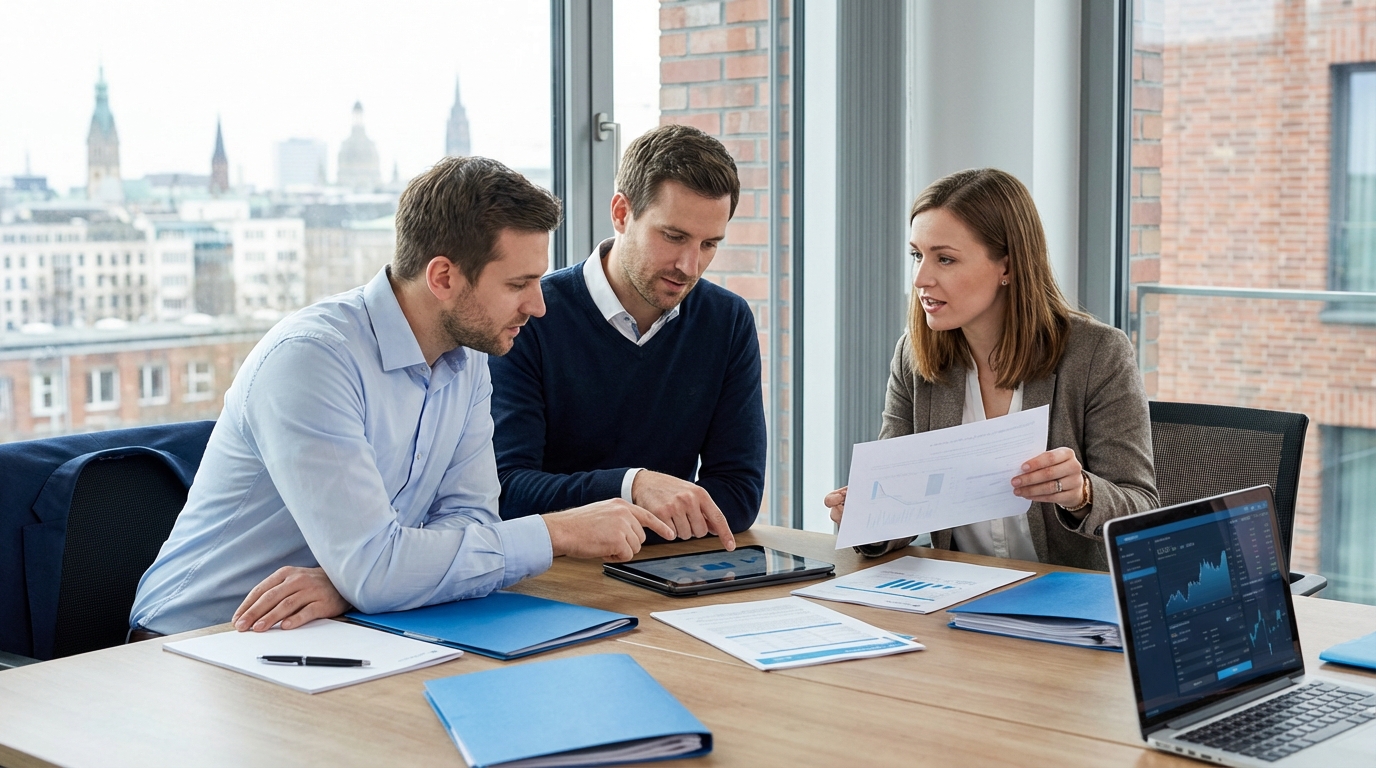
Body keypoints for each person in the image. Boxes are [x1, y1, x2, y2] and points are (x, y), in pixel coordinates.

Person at [129, 157, 675, 637]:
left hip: (341, 626)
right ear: (443, 277)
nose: (538, 306)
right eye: (517, 284)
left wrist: (358, 583)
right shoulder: (312, 360)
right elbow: (378, 570)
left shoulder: (468, 360)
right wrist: (556, 532)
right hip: (193, 641)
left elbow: (469, 523)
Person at [824, 168, 1157, 570]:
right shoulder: (913, 357)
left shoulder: (1097, 354)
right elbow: (900, 508)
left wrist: (1083, 492)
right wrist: (867, 517)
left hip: (1068, 593)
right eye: (917, 255)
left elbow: (1142, 511)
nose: (921, 278)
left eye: (945, 259)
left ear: (1008, 267)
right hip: (961, 591)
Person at [487, 124, 766, 548]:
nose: (689, 266)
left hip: (670, 571)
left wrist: (617, 516)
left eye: (709, 244)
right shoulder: (530, 316)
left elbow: (739, 495)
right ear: (621, 213)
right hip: (557, 571)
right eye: (673, 237)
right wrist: (633, 485)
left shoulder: (726, 320)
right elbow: (508, 492)